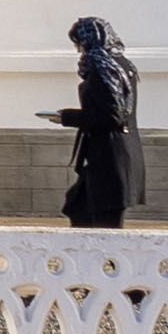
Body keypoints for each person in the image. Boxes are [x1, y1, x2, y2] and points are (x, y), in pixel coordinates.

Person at [46, 16, 139, 229]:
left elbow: (112, 116)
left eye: (80, 43)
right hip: (110, 154)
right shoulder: (121, 65)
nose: (79, 50)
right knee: (78, 205)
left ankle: (109, 262)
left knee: (105, 222)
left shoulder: (104, 68)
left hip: (109, 155)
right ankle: (87, 259)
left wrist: (67, 117)